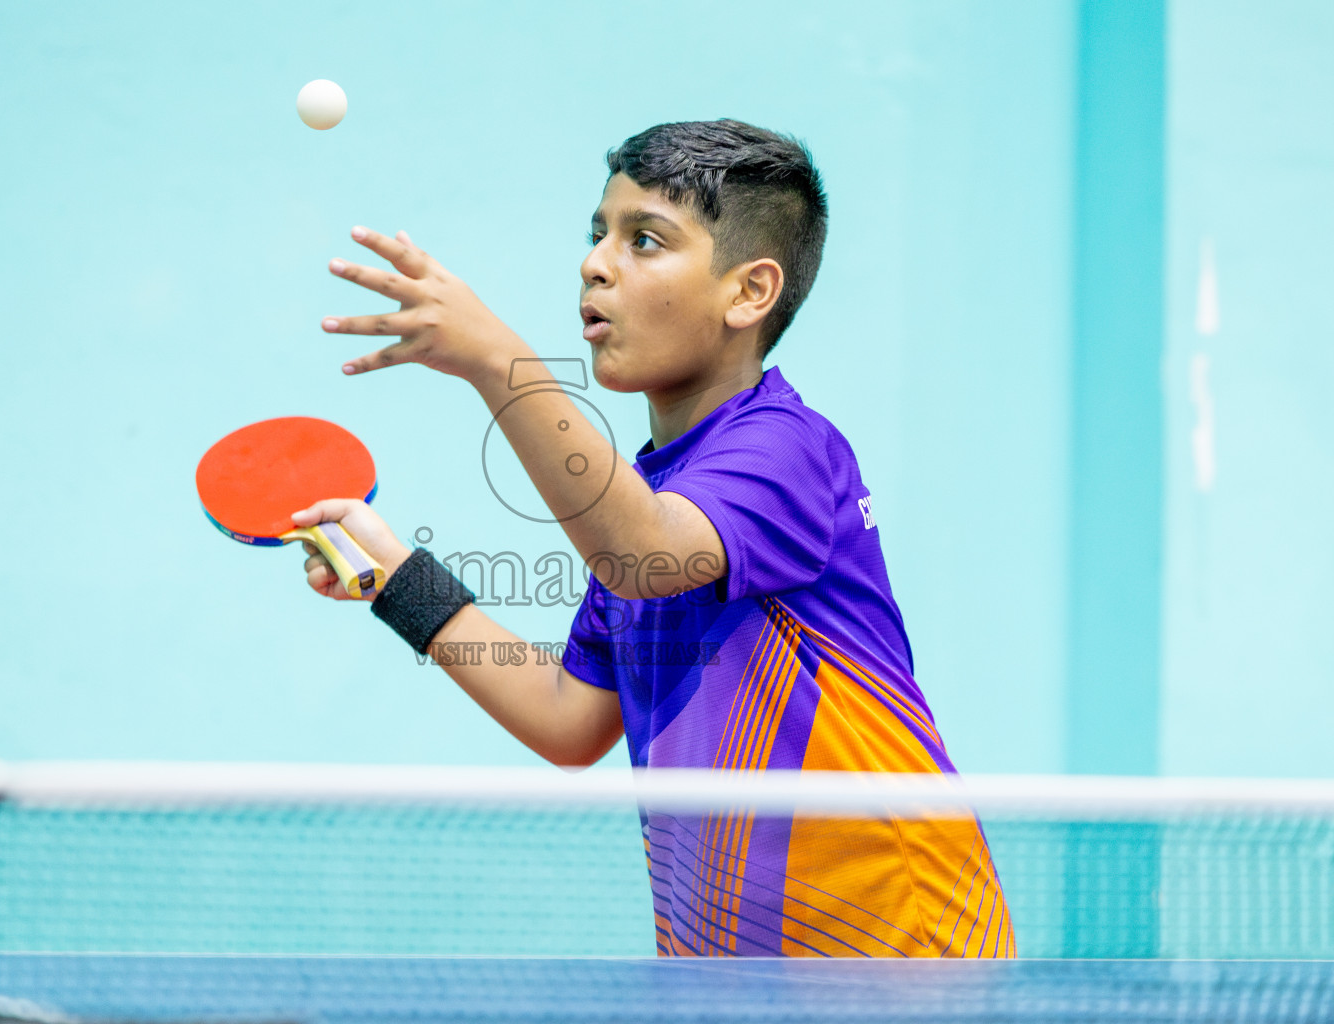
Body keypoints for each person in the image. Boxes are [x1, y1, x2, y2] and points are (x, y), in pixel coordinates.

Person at [294, 119, 1014, 958]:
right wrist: (393, 578)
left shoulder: (784, 450)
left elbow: (641, 555)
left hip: (891, 948)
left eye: (644, 240)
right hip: (731, 966)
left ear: (749, 292)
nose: (595, 262)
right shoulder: (649, 502)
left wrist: (499, 360)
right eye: (597, 234)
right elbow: (571, 722)